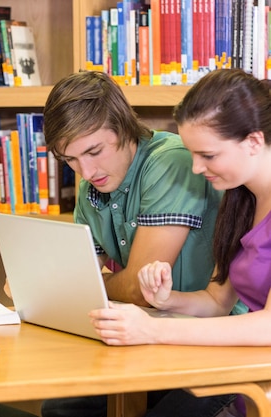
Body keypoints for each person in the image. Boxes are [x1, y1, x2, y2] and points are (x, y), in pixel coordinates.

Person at [39, 71, 236, 417]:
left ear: (124, 126)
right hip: (150, 330)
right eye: (69, 161)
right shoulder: (93, 184)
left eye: (94, 151)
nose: (85, 172)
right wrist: (44, 283)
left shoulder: (170, 161)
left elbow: (134, 288)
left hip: (211, 337)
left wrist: (72, 285)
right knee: (62, 408)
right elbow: (79, 279)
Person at [90, 68, 271, 417]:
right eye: (192, 155)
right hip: (248, 378)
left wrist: (154, 329)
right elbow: (218, 300)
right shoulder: (241, 199)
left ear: (253, 142)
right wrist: (166, 300)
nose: (196, 168)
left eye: (209, 155)